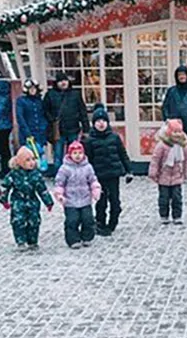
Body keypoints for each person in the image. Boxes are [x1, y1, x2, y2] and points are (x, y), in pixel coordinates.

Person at [83, 104, 132, 236]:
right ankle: (100, 224)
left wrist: (129, 170)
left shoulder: (114, 138)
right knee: (101, 202)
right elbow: (87, 161)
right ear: (94, 123)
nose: (101, 123)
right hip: (99, 176)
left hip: (113, 174)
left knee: (115, 202)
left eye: (103, 121)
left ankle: (112, 223)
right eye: (98, 121)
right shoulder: (89, 141)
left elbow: (122, 154)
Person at [0, 147, 54, 251]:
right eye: (28, 160)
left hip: (33, 201)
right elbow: (4, 187)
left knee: (34, 221)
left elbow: (42, 190)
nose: (31, 162)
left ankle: (33, 241)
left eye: (33, 159)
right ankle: (21, 241)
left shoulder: (36, 175)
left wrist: (48, 202)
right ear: (19, 162)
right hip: (18, 201)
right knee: (18, 221)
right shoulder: (13, 174)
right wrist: (4, 200)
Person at [53, 141, 101, 249]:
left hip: (85, 199)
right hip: (70, 201)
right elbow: (59, 183)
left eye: (80, 153)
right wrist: (59, 195)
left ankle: (87, 237)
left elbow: (93, 180)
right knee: (72, 221)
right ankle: (73, 239)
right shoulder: (65, 169)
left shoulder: (88, 167)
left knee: (88, 219)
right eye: (75, 153)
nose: (78, 155)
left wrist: (95, 191)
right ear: (70, 155)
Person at [43, 72, 89, 176]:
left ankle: (74, 174)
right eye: (60, 81)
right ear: (57, 83)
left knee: (74, 154)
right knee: (58, 155)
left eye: (65, 80)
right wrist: (52, 120)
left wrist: (86, 129)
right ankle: (59, 176)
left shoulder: (75, 94)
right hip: (58, 130)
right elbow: (45, 110)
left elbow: (82, 112)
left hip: (73, 128)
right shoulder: (50, 95)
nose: (63, 83)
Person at [148, 119, 187, 225]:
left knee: (177, 197)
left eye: (179, 132)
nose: (177, 134)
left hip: (177, 176)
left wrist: (185, 173)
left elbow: (186, 161)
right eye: (175, 132)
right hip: (164, 176)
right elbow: (156, 159)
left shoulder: (183, 146)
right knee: (164, 198)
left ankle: (177, 215)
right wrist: (153, 172)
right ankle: (164, 215)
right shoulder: (162, 145)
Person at [16, 79, 49, 170]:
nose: (33, 90)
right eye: (31, 89)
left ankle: (39, 172)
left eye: (34, 88)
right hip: (27, 133)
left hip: (40, 133)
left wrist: (44, 127)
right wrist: (27, 132)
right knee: (27, 155)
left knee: (39, 154)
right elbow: (20, 117)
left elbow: (43, 115)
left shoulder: (40, 101)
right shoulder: (21, 101)